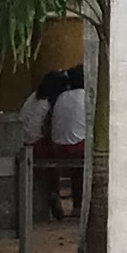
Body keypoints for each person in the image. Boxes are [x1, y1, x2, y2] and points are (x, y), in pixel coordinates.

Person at [40, 65, 90, 220]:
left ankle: (74, 203)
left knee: (77, 162)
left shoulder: (61, 97)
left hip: (58, 148)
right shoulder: (86, 97)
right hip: (78, 148)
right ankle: (81, 205)